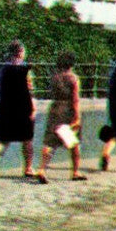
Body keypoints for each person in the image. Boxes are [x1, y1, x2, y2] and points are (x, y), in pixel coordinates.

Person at [0, 42, 36, 181]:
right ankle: (28, 168)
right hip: (22, 106)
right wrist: (33, 108)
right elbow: (29, 90)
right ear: (20, 52)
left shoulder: (3, 69)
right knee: (27, 140)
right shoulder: (26, 70)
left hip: (6, 106)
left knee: (2, 139)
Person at [37, 51, 86, 183]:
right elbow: (75, 99)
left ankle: (42, 168)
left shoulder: (55, 77)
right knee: (74, 142)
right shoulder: (74, 78)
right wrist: (77, 117)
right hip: (68, 111)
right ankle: (75, 171)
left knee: (50, 142)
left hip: (55, 109)